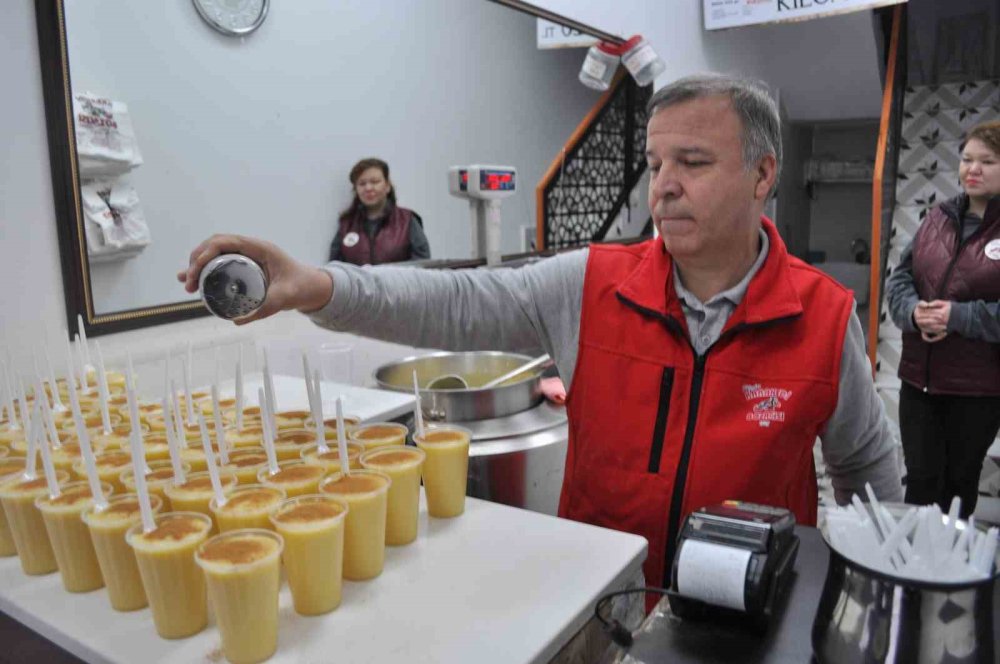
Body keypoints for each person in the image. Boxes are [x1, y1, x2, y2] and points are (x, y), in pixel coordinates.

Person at [180, 73, 902, 590]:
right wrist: (320, 284)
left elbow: (869, 469)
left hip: (748, 608)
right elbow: (457, 302)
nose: (663, 186)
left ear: (762, 174)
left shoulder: (823, 315)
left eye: (694, 163)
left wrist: (855, 596)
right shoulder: (591, 283)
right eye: (655, 164)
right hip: (602, 597)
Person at [885, 120, 1000, 519]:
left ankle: (947, 573)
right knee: (919, 481)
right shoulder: (937, 217)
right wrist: (915, 313)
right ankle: (912, 574)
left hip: (977, 390)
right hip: (919, 380)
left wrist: (958, 317)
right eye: (967, 159)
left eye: (988, 161)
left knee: (957, 485)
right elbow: (900, 278)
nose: (974, 168)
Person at [328, 158, 431, 265]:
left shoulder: (407, 220)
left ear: (387, 186)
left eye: (375, 182)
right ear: (356, 190)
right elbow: (334, 268)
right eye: (362, 184)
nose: (368, 188)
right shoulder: (346, 225)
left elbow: (422, 265)